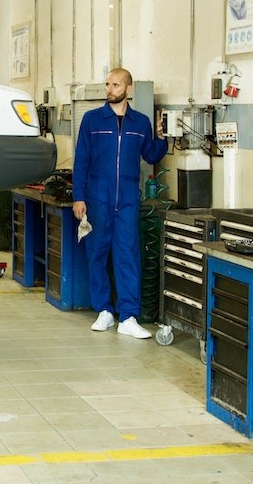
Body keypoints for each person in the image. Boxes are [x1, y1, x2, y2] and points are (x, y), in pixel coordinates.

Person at [72, 68, 167, 339]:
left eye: (115, 85)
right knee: (97, 253)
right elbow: (81, 160)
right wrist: (79, 197)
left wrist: (161, 138)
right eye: (108, 84)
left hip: (126, 198)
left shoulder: (140, 122)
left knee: (128, 255)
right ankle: (104, 311)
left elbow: (150, 156)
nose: (109, 89)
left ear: (129, 89)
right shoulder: (92, 119)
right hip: (97, 198)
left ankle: (128, 316)